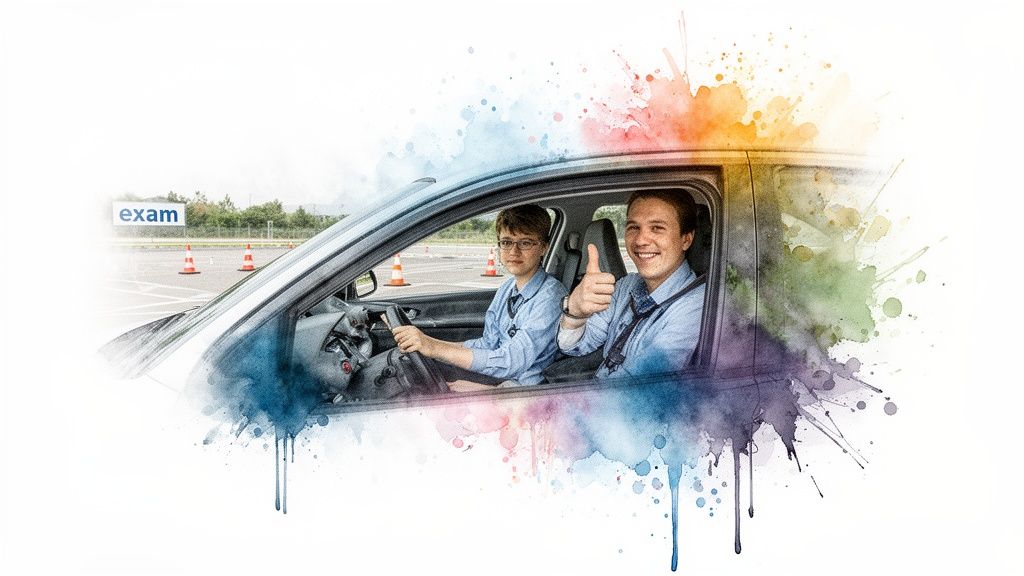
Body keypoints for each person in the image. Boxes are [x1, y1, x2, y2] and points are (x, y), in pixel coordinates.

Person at [391, 204, 567, 392]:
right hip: (499, 379)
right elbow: (488, 343)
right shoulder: (508, 288)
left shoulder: (551, 298)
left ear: (544, 248)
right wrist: (431, 347)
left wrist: (434, 347)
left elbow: (511, 362)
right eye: (506, 242)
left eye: (525, 242)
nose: (514, 251)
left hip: (523, 392)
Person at [558, 190, 705, 378]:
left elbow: (634, 389)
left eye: (657, 228)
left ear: (686, 239)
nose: (640, 240)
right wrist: (576, 313)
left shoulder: (696, 306)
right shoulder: (626, 286)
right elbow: (575, 346)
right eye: (633, 228)